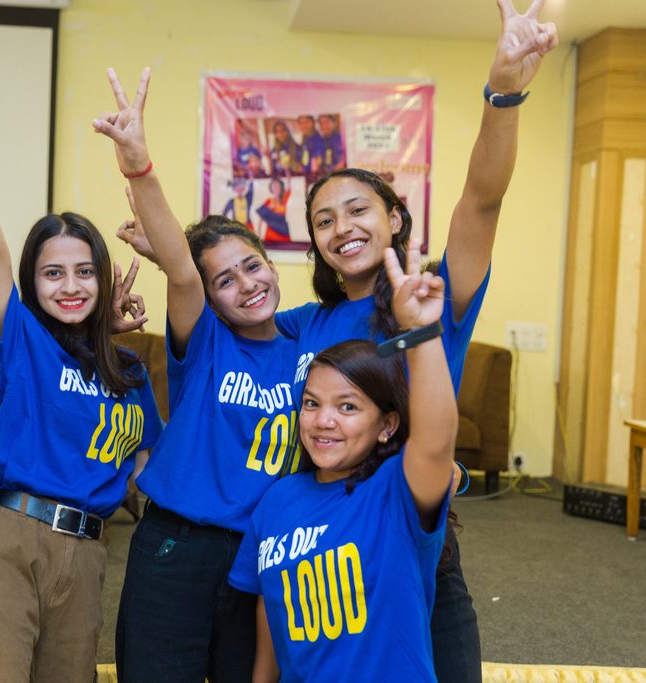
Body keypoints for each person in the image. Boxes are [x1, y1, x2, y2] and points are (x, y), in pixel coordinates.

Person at [275, 2, 558, 680]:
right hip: (326, 562)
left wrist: (505, 92)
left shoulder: (431, 300)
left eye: (358, 209)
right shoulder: (301, 325)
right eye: (322, 220)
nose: (341, 226)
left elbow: (481, 201)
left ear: (395, 216)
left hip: (419, 551)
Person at [0, 40, 162, 681]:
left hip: (87, 555)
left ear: (105, 277)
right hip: (11, 539)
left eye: (85, 271)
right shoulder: (22, 337)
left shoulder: (131, 376)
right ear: (33, 282)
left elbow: (149, 470)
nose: (71, 285)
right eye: (52, 273)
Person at [93, 68, 301, 683]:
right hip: (177, 548)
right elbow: (182, 275)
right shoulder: (206, 340)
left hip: (262, 556)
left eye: (253, 266)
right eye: (225, 280)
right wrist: (139, 164)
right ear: (208, 297)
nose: (247, 285)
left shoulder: (307, 346)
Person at [230, 240, 456, 681]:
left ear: (387, 424)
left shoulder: (397, 489)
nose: (323, 421)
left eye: (348, 407)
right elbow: (272, 619)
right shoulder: (277, 500)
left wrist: (423, 333)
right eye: (311, 404)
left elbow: (436, 440)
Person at [256, 176, 292, 242]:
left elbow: (289, 187)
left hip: (283, 232)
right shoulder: (268, 201)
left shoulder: (284, 199)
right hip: (270, 233)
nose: (276, 188)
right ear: (271, 188)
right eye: (274, 186)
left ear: (281, 187)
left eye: (278, 186)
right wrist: (259, 233)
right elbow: (261, 217)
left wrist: (287, 173)